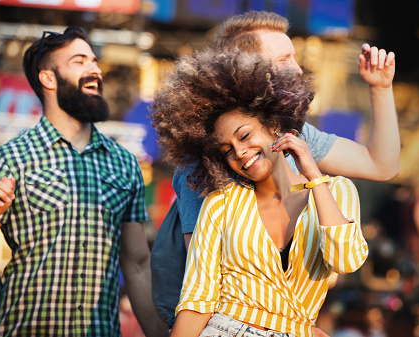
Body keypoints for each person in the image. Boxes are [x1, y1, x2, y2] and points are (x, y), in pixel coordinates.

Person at [0, 27, 168, 336]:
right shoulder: (9, 158)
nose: (95, 69)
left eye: (94, 61)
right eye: (80, 61)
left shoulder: (124, 163)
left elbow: (136, 264)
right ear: (48, 78)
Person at [151, 48, 369, 336]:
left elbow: (346, 260)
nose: (240, 152)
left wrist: (314, 177)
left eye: (245, 136)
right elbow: (197, 300)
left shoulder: (337, 191)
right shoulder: (221, 204)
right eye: (226, 150)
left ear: (274, 126)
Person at [174, 10, 398, 248]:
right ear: (247, 71)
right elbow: (200, 268)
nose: (298, 69)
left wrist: (381, 89)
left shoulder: (294, 132)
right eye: (284, 60)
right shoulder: (203, 158)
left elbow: (381, 166)